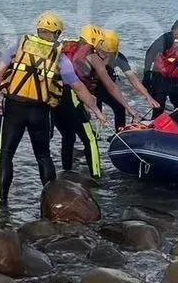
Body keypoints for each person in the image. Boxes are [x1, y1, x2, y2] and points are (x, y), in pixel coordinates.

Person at [0, 13, 105, 206]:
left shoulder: (20, 45)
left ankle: (1, 203)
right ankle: (52, 202)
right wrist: (97, 111)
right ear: (57, 33)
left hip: (14, 107)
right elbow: (78, 87)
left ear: (38, 30)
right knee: (43, 156)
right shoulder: (59, 55)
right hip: (39, 111)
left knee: (6, 154)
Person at [54, 25, 133, 178]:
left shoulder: (64, 50)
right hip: (72, 97)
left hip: (55, 99)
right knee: (90, 140)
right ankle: (96, 178)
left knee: (68, 137)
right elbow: (108, 86)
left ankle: (66, 174)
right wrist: (99, 112)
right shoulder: (92, 56)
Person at [96, 30, 158, 129]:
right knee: (93, 113)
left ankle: (119, 134)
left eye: (109, 54)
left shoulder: (119, 58)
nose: (105, 57)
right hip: (89, 87)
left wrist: (148, 97)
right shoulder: (91, 56)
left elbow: (133, 79)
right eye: (102, 53)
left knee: (120, 107)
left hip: (104, 87)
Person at [142, 22, 178, 111]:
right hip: (160, 76)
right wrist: (147, 74)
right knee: (158, 105)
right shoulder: (167, 38)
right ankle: (155, 121)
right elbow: (150, 53)